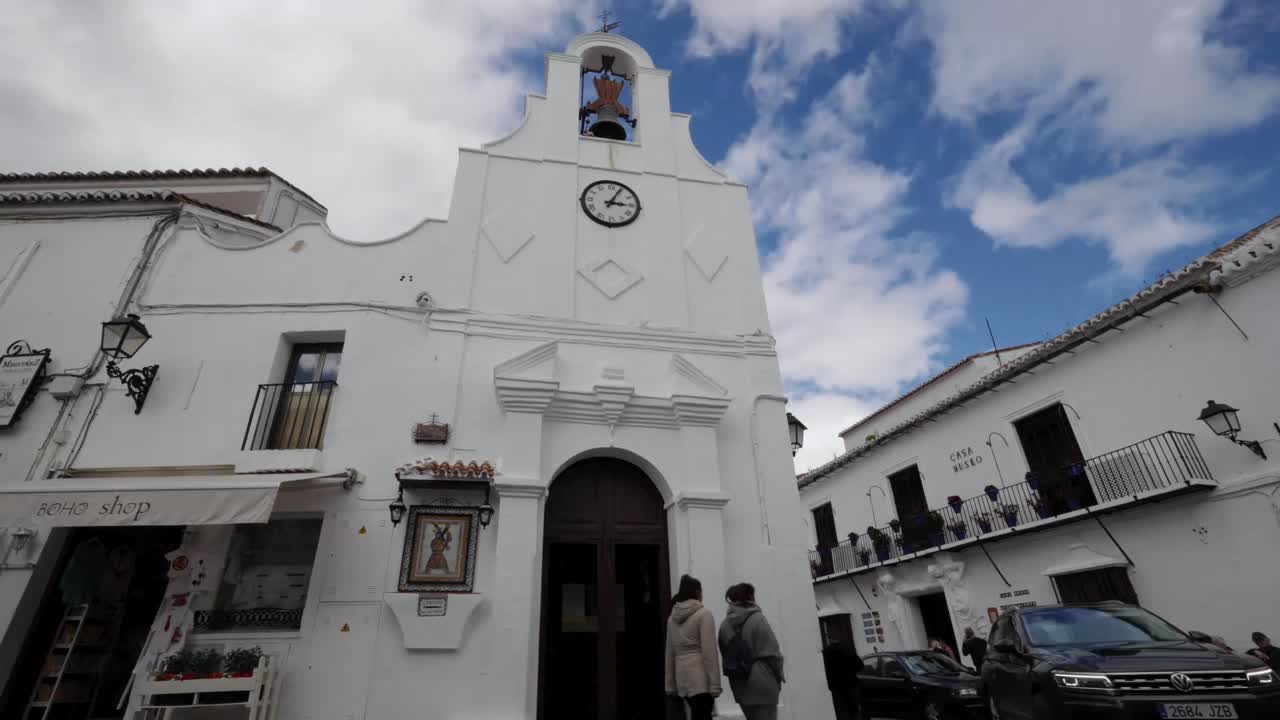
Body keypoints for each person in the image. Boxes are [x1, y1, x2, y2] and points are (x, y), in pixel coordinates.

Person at [720, 583, 785, 720]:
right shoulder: (758, 619)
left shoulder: (724, 626)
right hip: (763, 683)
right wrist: (779, 677)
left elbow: (726, 655)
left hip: (740, 685)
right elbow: (773, 654)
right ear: (750, 597)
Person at [665, 575, 721, 720]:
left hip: (682, 680)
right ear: (697, 592)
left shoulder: (672, 618)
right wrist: (715, 685)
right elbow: (709, 652)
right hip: (701, 681)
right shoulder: (704, 615)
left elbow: (670, 653)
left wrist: (670, 684)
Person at [822, 638, 864, 720]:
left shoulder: (826, 653)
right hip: (851, 685)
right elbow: (860, 666)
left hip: (836, 688)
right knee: (855, 710)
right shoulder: (848, 650)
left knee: (841, 711)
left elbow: (824, 671)